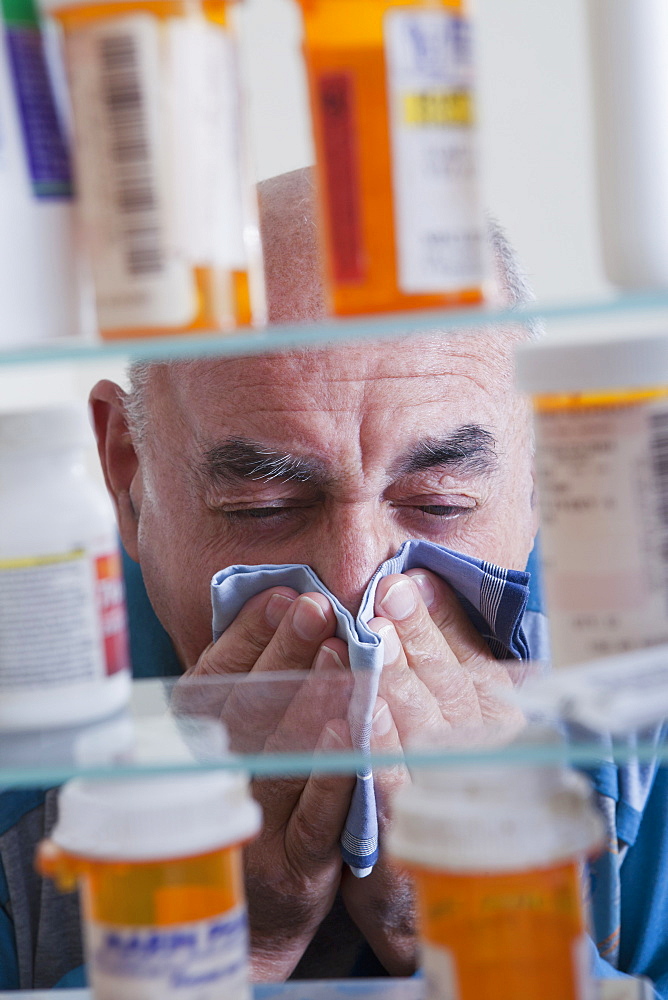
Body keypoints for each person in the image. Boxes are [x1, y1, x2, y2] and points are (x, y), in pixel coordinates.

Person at [1, 168, 666, 993]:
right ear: (131, 479)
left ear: (540, 473)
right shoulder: (26, 716)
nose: (357, 585)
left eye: (439, 502)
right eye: (264, 505)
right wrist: (216, 951)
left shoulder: (642, 709)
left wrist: (486, 934)